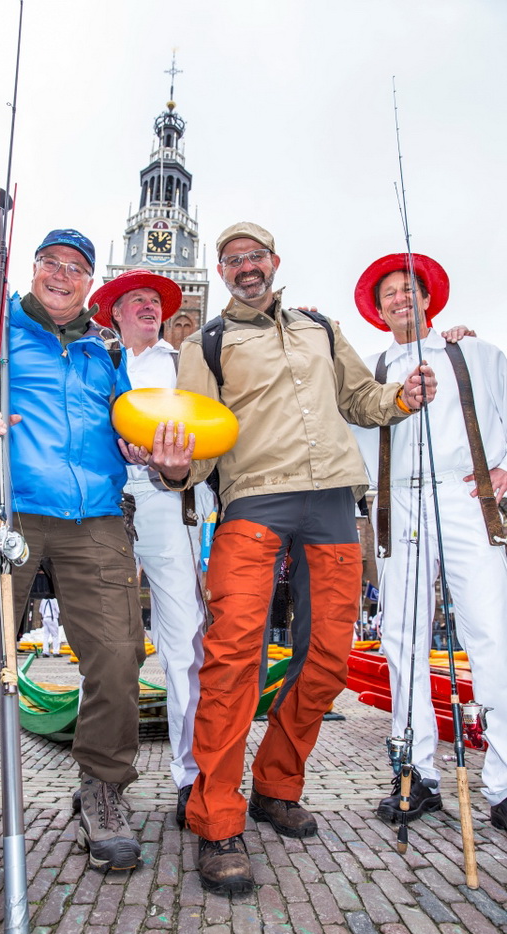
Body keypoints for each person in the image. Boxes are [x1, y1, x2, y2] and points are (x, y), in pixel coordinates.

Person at [121, 222, 437, 894]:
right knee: (233, 658)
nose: (245, 268)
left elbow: (362, 401)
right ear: (222, 271)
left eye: (254, 256)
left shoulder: (321, 328)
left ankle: (275, 784)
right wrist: (175, 471)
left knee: (327, 657)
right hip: (254, 503)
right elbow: (196, 440)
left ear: (274, 262)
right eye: (232, 260)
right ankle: (215, 817)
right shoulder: (205, 342)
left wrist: (402, 398)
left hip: (330, 502)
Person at [0, 229, 145, 873]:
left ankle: (100, 791)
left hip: (95, 516)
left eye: (76, 267)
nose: (61, 275)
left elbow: (127, 427)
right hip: (7, 505)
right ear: (34, 269)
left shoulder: (108, 350)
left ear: (90, 281)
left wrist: (143, 448)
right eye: (50, 264)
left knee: (120, 656)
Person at [352, 253, 507, 832]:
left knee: (493, 633)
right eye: (388, 292)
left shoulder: (477, 354)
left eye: (408, 289)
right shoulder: (367, 372)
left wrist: (505, 468)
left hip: (469, 501)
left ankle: (504, 782)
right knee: (402, 637)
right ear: (379, 307)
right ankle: (414, 775)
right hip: (398, 504)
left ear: (427, 298)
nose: (399, 298)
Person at [89, 269, 215, 827]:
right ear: (112, 313)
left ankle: (192, 776)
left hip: (170, 500)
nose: (146, 307)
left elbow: (214, 434)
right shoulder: (93, 359)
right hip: (101, 502)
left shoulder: (187, 363)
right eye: (134, 299)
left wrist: (175, 465)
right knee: (108, 644)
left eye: (154, 301)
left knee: (185, 640)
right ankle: (102, 779)